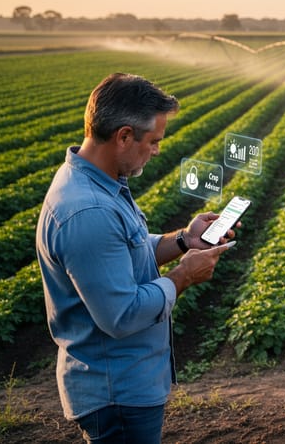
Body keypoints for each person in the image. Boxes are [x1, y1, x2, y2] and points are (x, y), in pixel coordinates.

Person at [36, 72, 236, 443]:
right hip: (117, 393)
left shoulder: (98, 182)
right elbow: (122, 314)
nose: (157, 150)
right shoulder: (88, 210)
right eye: (153, 141)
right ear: (124, 136)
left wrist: (183, 240)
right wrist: (182, 276)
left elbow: (126, 248)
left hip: (126, 383)